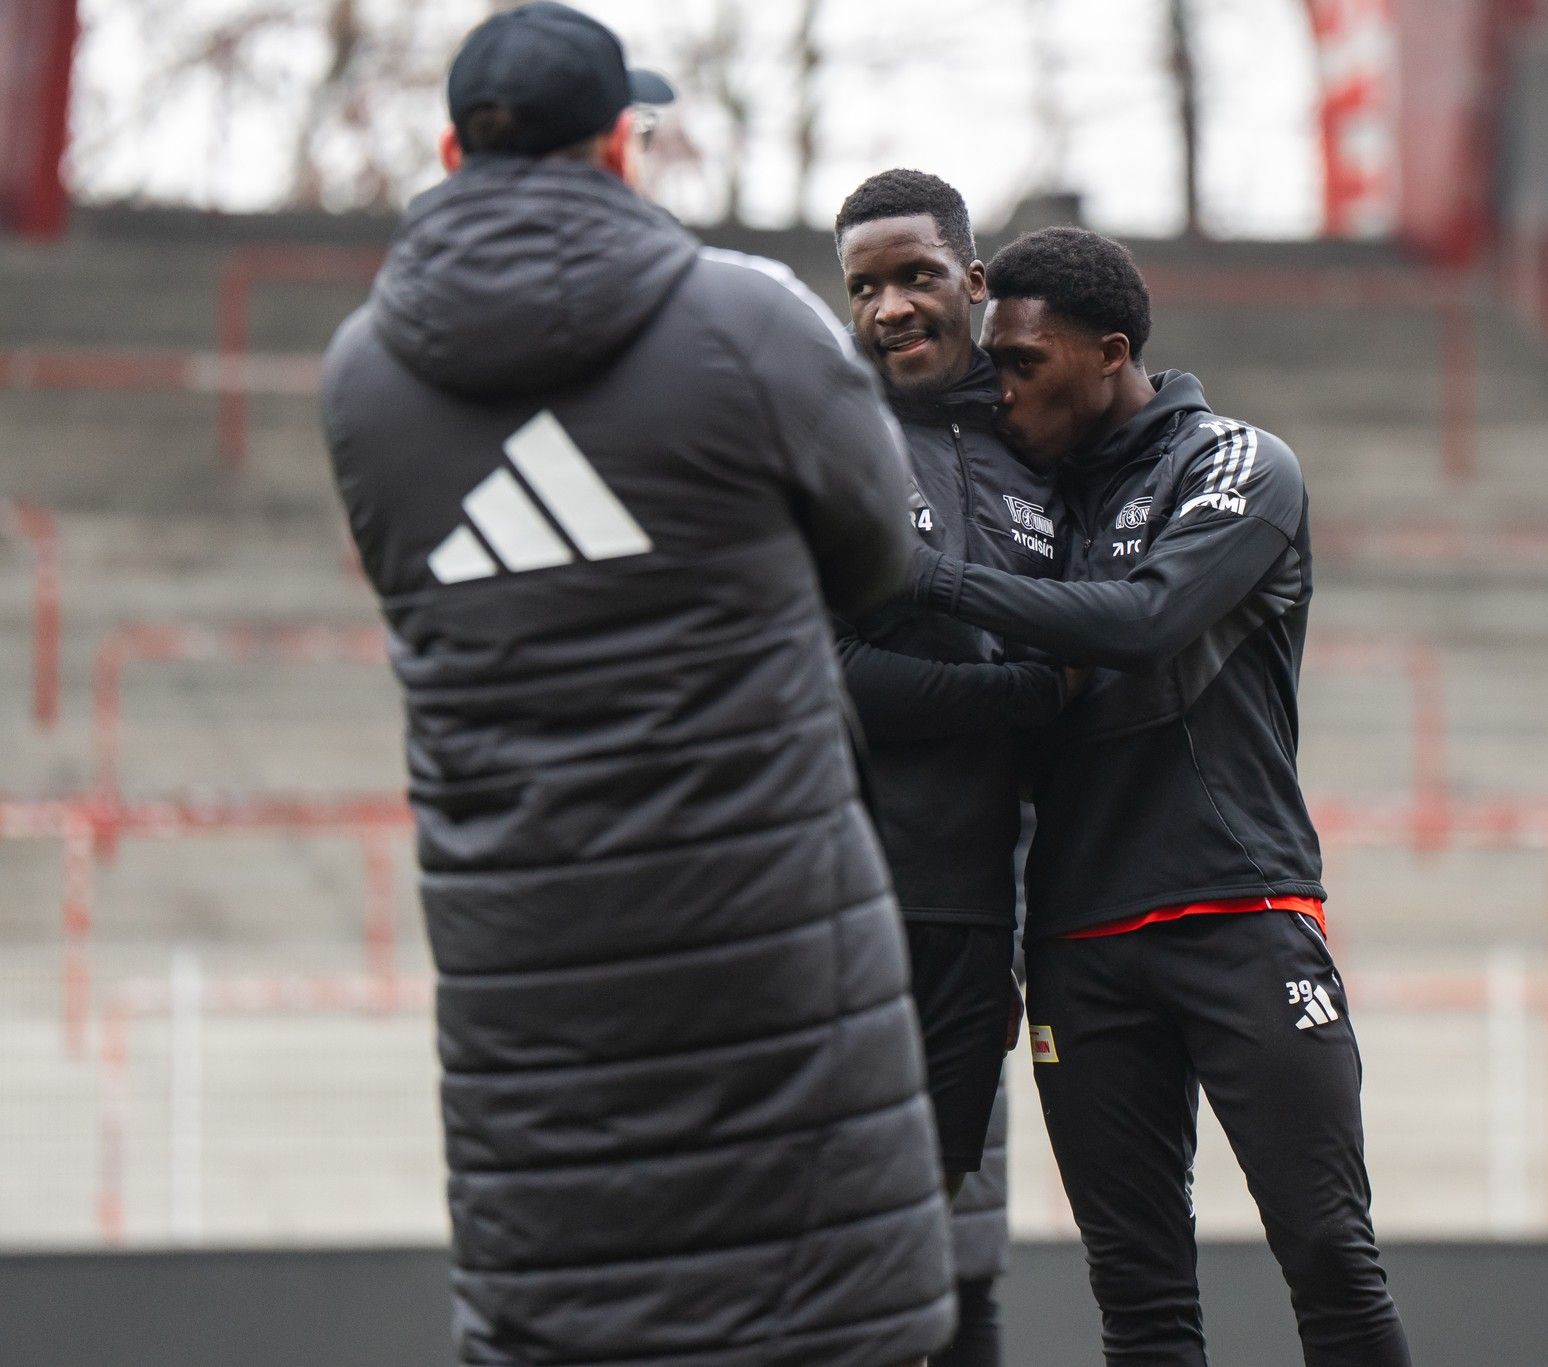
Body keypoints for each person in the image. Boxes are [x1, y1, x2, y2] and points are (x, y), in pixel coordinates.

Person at [319, 6, 953, 1364]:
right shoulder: (741, 317)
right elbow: (883, 556)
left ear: (447, 147)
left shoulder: (360, 376)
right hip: (772, 971)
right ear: (621, 148)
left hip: (527, 989)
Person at [903, 227, 1412, 1367]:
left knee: (1329, 1254)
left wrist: (929, 572)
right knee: (1137, 1301)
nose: (1003, 387)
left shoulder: (1238, 462)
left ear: (1110, 352)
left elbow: (1144, 622)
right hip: (1077, 943)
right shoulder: (1021, 499)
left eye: (1025, 362)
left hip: (1237, 913)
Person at [833, 168, 1063, 1366]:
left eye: (915, 276)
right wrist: (1020, 696)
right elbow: (827, 671)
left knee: (960, 1248)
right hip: (860, 901)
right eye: (864, 287)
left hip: (1005, 902)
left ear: (971, 281)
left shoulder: (1051, 446)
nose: (889, 309)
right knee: (860, 1249)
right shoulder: (835, 442)